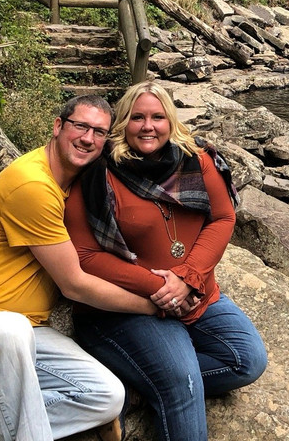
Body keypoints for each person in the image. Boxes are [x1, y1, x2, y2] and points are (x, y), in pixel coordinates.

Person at [0, 94, 161, 441]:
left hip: (26, 333)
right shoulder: (33, 184)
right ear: (58, 126)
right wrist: (152, 306)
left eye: (99, 132)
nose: (88, 138)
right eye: (80, 126)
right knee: (8, 331)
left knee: (106, 395)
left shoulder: (76, 186)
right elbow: (74, 284)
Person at [64, 81, 266, 441]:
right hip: (125, 308)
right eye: (137, 117)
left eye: (158, 117)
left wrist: (188, 277)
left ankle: (136, 384)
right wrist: (162, 288)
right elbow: (85, 256)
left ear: (171, 121)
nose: (148, 126)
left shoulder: (198, 159)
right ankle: (167, 383)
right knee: (180, 381)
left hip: (195, 294)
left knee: (247, 361)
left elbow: (222, 218)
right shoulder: (98, 173)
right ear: (122, 122)